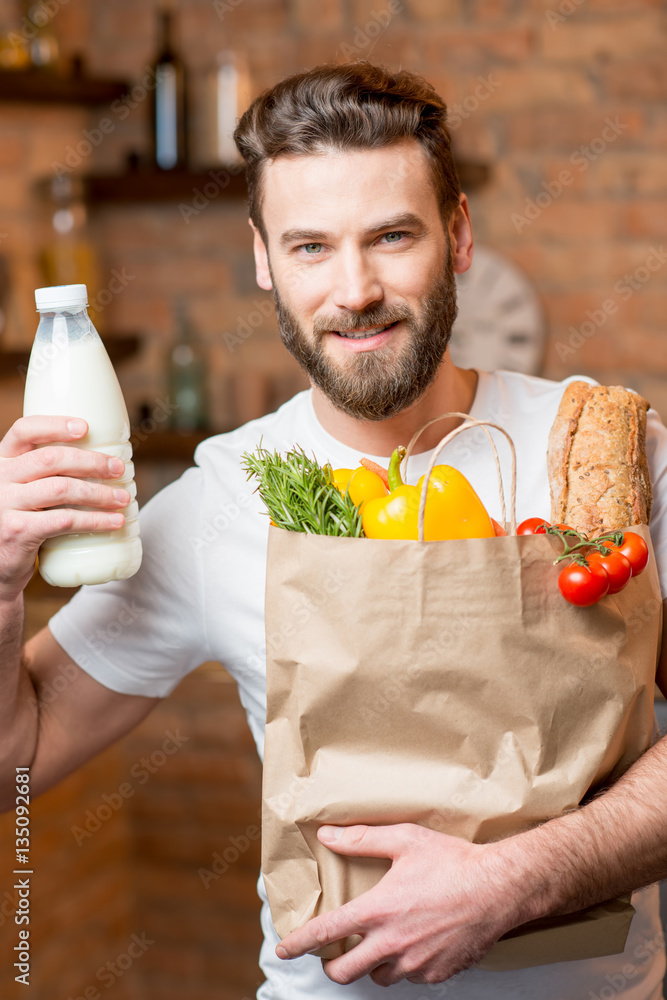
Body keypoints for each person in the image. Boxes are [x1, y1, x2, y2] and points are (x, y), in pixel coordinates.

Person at [1, 61, 666, 998]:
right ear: (264, 258)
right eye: (310, 247)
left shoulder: (605, 451)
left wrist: (522, 879)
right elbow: (16, 765)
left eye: (391, 236)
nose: (353, 290)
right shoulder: (220, 502)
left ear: (459, 234)